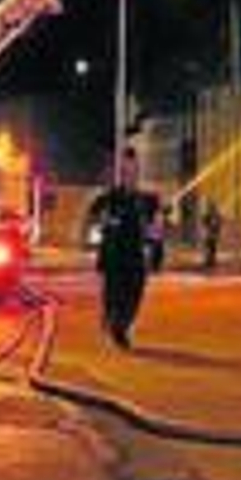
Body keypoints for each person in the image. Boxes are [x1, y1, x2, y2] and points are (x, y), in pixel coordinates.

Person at [87, 148, 153, 350]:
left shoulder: (145, 200)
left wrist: (155, 239)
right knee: (115, 294)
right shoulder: (110, 198)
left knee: (135, 293)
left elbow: (153, 227)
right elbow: (93, 215)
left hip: (135, 257)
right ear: (121, 173)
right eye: (127, 171)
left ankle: (120, 324)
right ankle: (117, 327)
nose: (131, 175)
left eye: (134, 171)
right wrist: (105, 221)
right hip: (114, 256)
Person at [200, 200, 223, 271]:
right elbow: (204, 223)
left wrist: (217, 233)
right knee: (208, 248)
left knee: (212, 248)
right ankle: (208, 261)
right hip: (209, 234)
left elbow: (219, 225)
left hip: (213, 234)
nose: (212, 209)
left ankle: (211, 261)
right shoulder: (208, 215)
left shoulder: (217, 216)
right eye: (212, 207)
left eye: (213, 207)